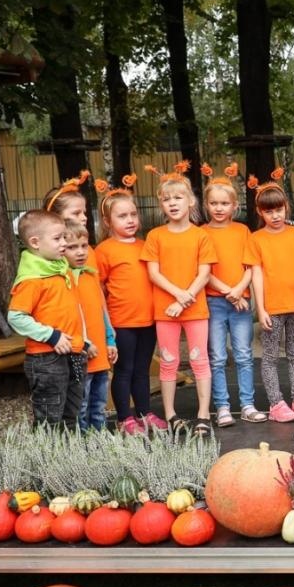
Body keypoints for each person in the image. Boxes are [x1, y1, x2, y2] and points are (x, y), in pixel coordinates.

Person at [142, 162, 216, 434]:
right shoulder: (155, 236)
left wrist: (185, 298)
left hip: (195, 310)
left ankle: (203, 415)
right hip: (166, 310)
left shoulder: (200, 236)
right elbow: (154, 273)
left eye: (178, 197)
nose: (172, 203)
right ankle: (171, 414)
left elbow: (205, 273)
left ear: (190, 201)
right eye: (166, 199)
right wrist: (178, 295)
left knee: (199, 360)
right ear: (161, 205)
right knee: (169, 361)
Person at [93, 177, 163, 434]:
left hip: (148, 320)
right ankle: (125, 417)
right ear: (108, 222)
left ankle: (145, 413)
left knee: (143, 371)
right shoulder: (103, 251)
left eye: (133, 214)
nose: (131, 220)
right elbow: (97, 289)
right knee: (124, 370)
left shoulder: (146, 246)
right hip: (122, 322)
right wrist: (106, 324)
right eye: (122, 216)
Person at [8, 210, 89, 427]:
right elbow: (16, 317)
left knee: (70, 417)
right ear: (35, 242)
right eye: (57, 238)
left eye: (64, 237)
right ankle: (48, 459)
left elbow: (69, 309)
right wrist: (51, 336)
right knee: (50, 421)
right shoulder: (32, 279)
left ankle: (70, 459)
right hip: (47, 359)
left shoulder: (60, 269)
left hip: (73, 352)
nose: (64, 242)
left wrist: (83, 341)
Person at [248, 176, 294, 422]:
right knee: (271, 356)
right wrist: (262, 309)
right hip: (273, 308)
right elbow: (256, 275)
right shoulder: (256, 239)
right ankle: (276, 403)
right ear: (259, 212)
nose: (275, 216)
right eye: (269, 211)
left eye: (279, 209)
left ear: (286, 206)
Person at [202, 166, 263, 426]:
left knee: (243, 354)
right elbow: (203, 271)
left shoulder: (242, 231)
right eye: (214, 203)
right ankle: (223, 406)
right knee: (217, 356)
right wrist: (229, 292)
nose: (219, 208)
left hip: (241, 301)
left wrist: (239, 290)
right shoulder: (201, 233)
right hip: (215, 301)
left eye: (224, 203)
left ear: (234, 205)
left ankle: (247, 404)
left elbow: (251, 266)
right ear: (206, 205)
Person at [64, 222, 115, 430]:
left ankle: (99, 438)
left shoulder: (90, 274)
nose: (80, 252)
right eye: (72, 247)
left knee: (99, 403)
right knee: (81, 404)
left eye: (84, 246)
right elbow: (69, 317)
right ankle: (83, 444)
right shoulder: (66, 279)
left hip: (100, 353)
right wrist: (84, 344)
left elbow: (101, 310)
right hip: (82, 354)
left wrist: (110, 340)